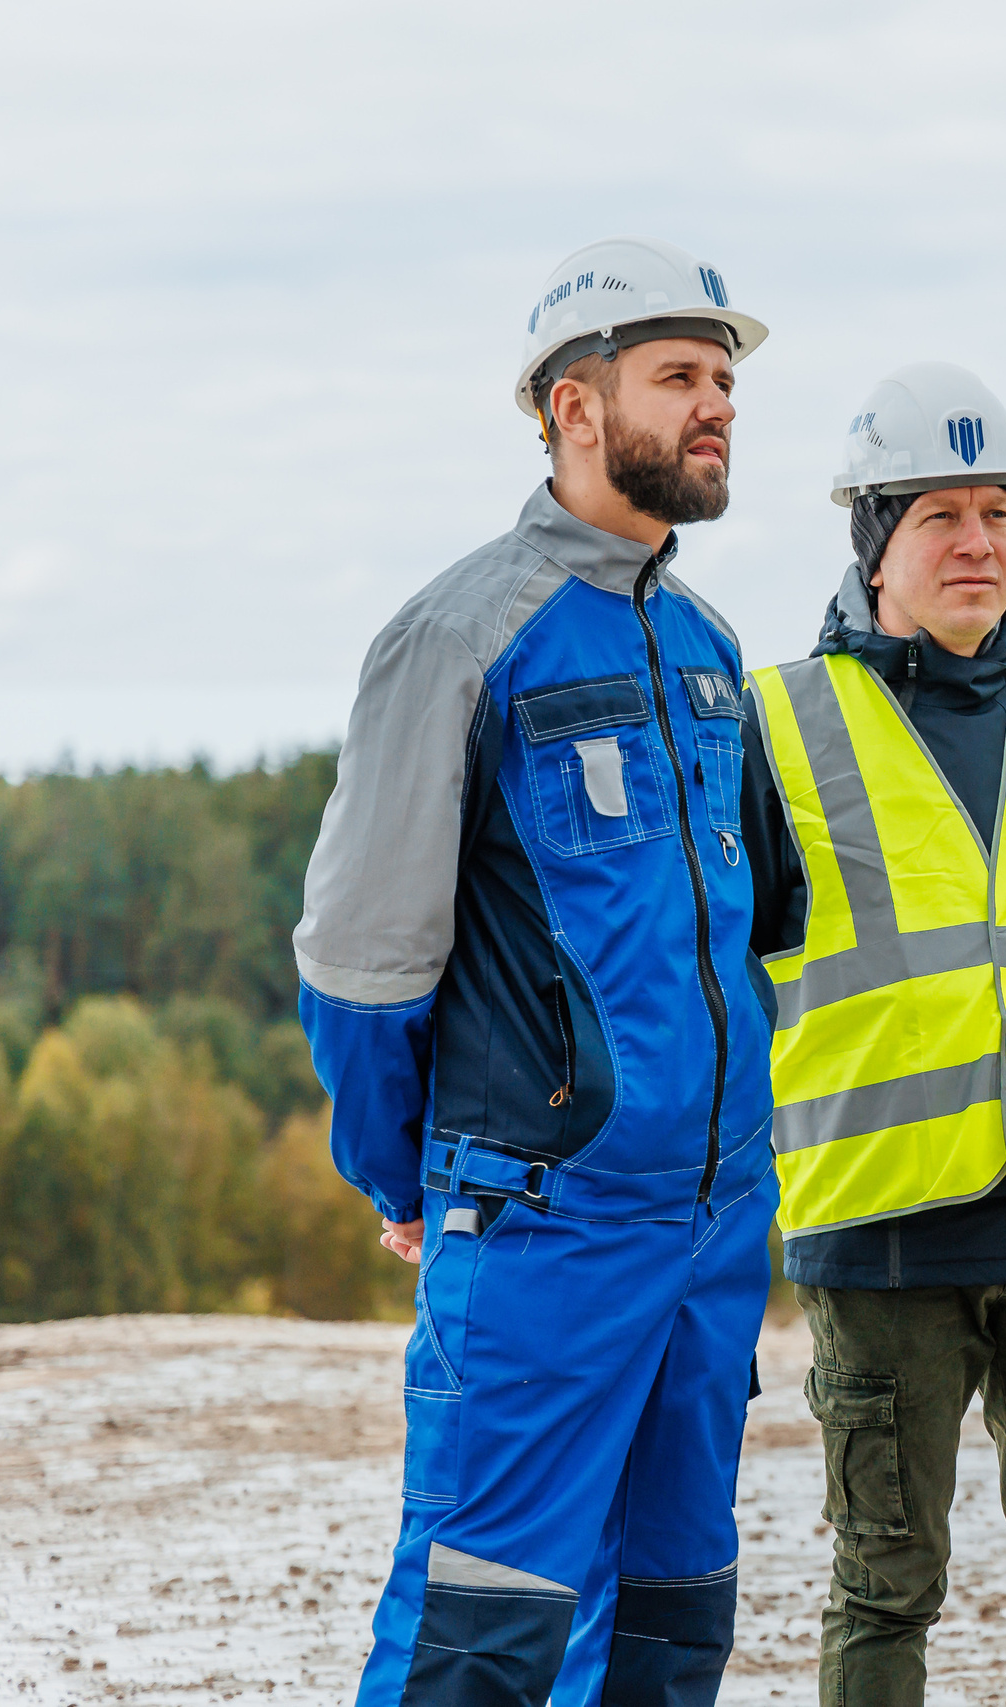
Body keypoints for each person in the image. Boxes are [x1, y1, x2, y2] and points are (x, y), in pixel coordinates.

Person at [294, 236, 778, 1707]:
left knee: (674, 1612)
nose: (719, 408)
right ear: (575, 406)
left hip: (711, 1222)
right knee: (483, 1625)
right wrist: (408, 1179)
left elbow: (744, 940)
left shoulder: (704, 644)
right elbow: (366, 962)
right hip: (547, 1217)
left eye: (727, 383)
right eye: (682, 379)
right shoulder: (457, 636)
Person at [738, 362, 1006, 1707]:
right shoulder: (776, 725)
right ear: (873, 540)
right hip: (882, 1230)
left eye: (1001, 511)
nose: (979, 543)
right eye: (940, 515)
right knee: (883, 1591)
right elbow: (731, 973)